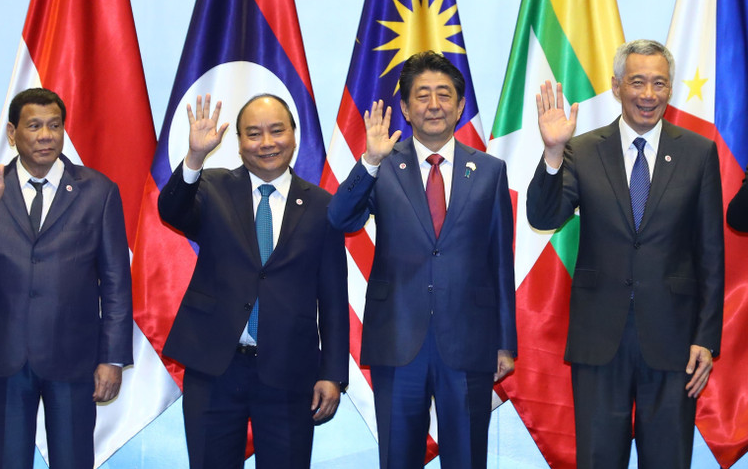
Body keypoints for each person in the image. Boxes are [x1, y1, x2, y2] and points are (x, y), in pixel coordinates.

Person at [527, 39, 724, 468]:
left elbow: (711, 254)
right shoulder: (583, 149)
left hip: (674, 343)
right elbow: (543, 216)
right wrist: (554, 152)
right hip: (600, 341)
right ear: (616, 86)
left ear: (670, 89)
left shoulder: (698, 153)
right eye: (637, 82)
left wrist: (706, 339)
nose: (648, 95)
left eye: (659, 83)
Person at [328, 51, 516, 469]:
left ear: (460, 105)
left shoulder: (489, 170)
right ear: (406, 109)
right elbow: (340, 218)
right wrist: (370, 161)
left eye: (444, 95)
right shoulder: (383, 166)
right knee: (398, 458)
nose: (434, 105)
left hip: (470, 342)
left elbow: (500, 259)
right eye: (423, 96)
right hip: (398, 340)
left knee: (467, 458)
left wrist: (505, 340)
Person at [0, 88, 132, 469]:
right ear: (12, 133)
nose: (46, 135)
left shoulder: (98, 191)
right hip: (6, 354)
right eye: (34, 126)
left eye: (54, 125)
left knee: (73, 460)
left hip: (74, 358)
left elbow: (116, 282)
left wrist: (112, 358)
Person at [158, 93, 348, 469]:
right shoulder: (212, 186)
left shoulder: (323, 206)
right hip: (215, 367)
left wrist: (333, 374)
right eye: (254, 134)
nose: (266, 143)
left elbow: (333, 298)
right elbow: (172, 209)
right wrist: (194, 157)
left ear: (294, 136)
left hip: (289, 372)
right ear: (239, 142)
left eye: (276, 131)